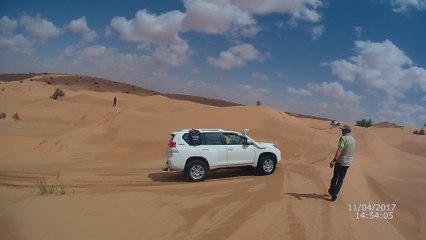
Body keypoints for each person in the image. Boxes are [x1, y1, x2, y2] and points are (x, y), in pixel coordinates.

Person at [328, 124, 356, 202]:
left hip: (340, 161)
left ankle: (331, 191)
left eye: (343, 130)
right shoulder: (353, 140)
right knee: (341, 179)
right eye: (342, 130)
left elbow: (339, 150)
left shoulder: (343, 138)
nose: (342, 131)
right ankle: (335, 194)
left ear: (347, 130)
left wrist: (334, 160)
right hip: (347, 163)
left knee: (335, 177)